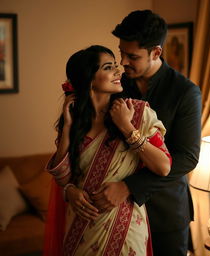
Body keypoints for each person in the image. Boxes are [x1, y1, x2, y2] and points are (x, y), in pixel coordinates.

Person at [91, 10, 202, 256]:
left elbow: (187, 157)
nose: (124, 62)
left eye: (132, 56)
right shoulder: (117, 85)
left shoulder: (186, 92)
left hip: (165, 214)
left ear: (156, 52)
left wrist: (130, 186)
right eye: (121, 52)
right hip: (116, 213)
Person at [43, 45, 172, 256]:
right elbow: (63, 177)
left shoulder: (137, 112)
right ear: (89, 78)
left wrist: (127, 127)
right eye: (108, 67)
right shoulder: (75, 122)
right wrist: (70, 191)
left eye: (115, 65)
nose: (118, 71)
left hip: (125, 228)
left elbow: (164, 166)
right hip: (80, 227)